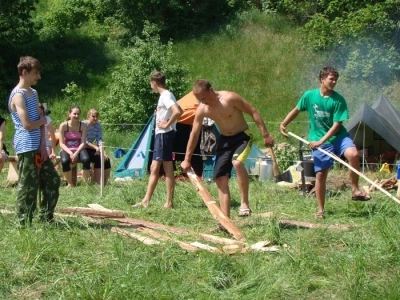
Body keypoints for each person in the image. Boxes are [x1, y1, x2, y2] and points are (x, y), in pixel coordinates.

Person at [280, 66, 371, 218]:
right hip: (318, 139)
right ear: (322, 79)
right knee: (321, 175)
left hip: (338, 137)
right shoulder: (309, 96)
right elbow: (296, 109)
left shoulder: (338, 100)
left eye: (336, 79)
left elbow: (337, 125)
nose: (334, 82)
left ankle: (355, 190)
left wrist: (321, 141)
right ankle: (321, 210)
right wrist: (284, 123)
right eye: (331, 79)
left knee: (354, 154)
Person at [180, 79, 274, 219]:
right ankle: (225, 220)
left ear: (211, 90)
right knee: (220, 177)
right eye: (199, 99)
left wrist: (265, 135)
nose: (202, 101)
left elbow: (253, 111)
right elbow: (194, 134)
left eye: (204, 98)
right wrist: (187, 159)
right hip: (224, 140)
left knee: (237, 163)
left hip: (242, 137)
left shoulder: (230, 98)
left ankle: (244, 203)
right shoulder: (202, 109)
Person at [8, 56, 60, 226]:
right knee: (28, 186)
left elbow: (41, 118)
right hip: (26, 146)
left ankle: (46, 218)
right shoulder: (18, 95)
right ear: (24, 72)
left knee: (52, 180)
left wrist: (44, 146)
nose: (38, 77)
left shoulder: (34, 92)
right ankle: (22, 223)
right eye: (35, 73)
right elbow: (28, 124)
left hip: (38, 146)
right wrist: (43, 120)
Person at [132, 71, 183, 209]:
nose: (151, 86)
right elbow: (180, 110)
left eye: (151, 83)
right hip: (164, 135)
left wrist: (167, 124)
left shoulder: (165, 96)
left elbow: (177, 112)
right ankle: (150, 200)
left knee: (159, 168)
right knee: (162, 168)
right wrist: (162, 115)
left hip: (164, 135)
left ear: (154, 83)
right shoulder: (167, 95)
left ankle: (164, 202)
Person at [59, 105, 91, 187]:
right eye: (74, 114)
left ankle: (85, 183)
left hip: (79, 148)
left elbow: (83, 142)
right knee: (65, 161)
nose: (76, 116)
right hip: (66, 149)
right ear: (69, 114)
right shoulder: (63, 125)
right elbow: (61, 143)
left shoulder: (83, 125)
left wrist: (76, 153)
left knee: (86, 159)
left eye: (78, 114)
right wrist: (70, 153)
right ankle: (70, 183)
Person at [83, 108, 111, 185]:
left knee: (106, 159)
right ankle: (96, 182)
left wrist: (103, 152)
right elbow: (84, 140)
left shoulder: (98, 125)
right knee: (98, 158)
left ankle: (105, 182)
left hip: (91, 147)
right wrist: (95, 147)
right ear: (88, 116)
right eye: (93, 116)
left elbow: (99, 139)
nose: (95, 118)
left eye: (96, 117)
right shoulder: (83, 124)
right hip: (82, 148)